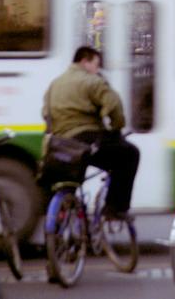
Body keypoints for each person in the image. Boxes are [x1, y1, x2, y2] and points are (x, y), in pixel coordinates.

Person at [42, 46, 140, 219]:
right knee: (129, 154)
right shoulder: (92, 81)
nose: (97, 69)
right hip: (86, 139)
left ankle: (60, 224)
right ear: (85, 61)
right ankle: (115, 208)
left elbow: (45, 114)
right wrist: (116, 128)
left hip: (60, 144)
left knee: (67, 178)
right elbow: (114, 104)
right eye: (96, 64)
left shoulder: (54, 84)